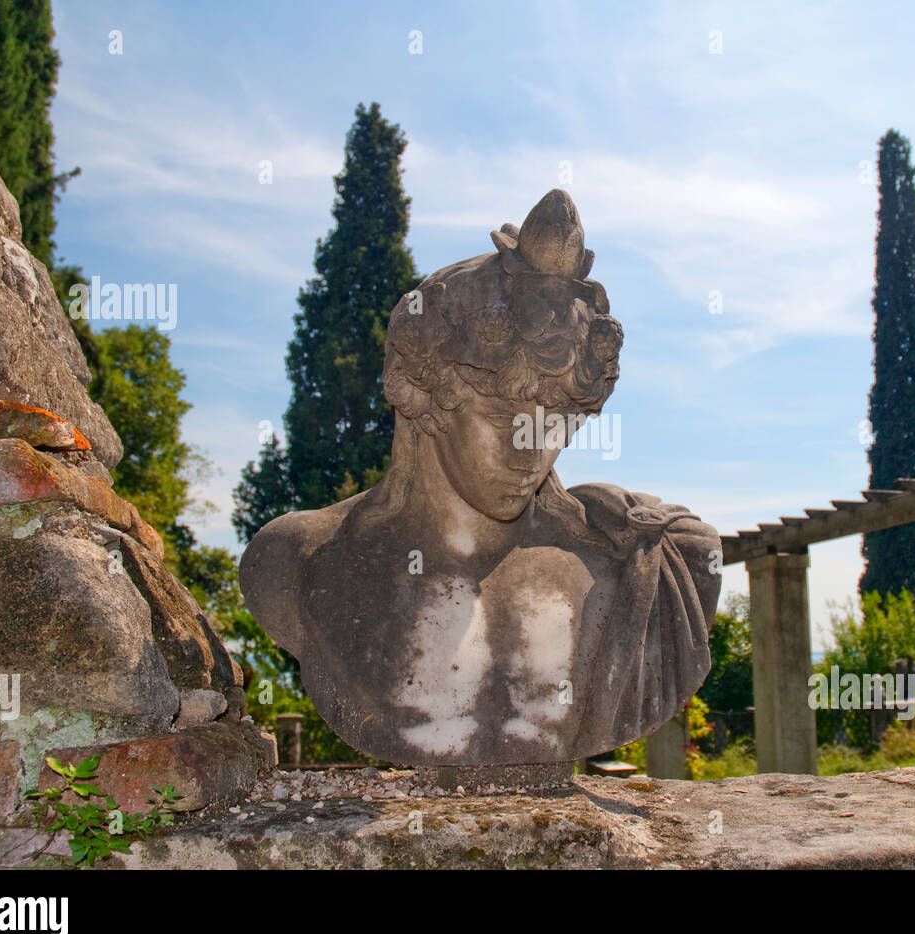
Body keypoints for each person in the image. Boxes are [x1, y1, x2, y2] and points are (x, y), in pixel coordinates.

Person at [241, 189, 721, 766]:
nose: (533, 451)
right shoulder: (297, 561)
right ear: (425, 393)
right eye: (504, 417)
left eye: (561, 421)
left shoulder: (651, 566)